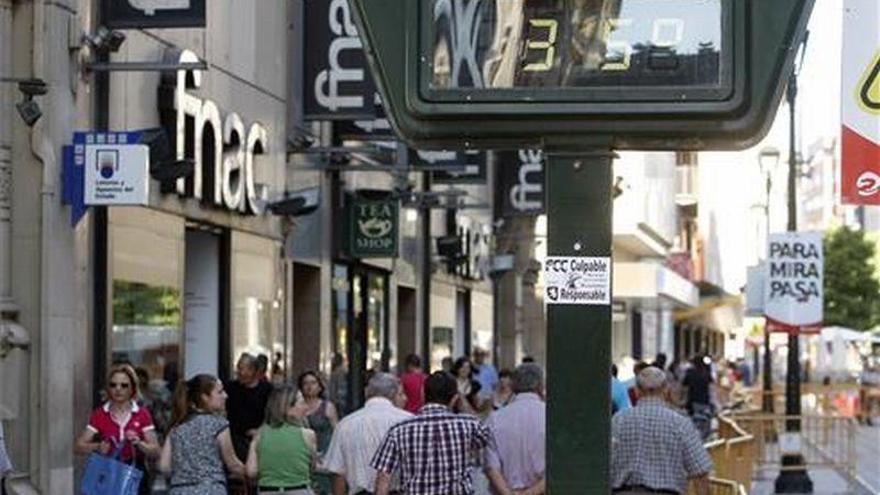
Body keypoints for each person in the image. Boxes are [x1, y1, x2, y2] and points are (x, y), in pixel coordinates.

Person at [371, 371, 493, 495]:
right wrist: (461, 401)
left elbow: (383, 479)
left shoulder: (398, 430)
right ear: (455, 398)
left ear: (423, 394)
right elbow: (489, 437)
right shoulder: (469, 425)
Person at [611, 367, 713, 495]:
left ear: (636, 391)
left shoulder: (618, 421)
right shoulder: (680, 423)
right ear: (666, 390)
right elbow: (700, 474)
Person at [75, 364, 161, 495]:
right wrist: (98, 446)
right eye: (113, 385)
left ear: (132, 388)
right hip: (108, 473)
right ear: (108, 388)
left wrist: (139, 443)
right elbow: (78, 446)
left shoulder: (142, 414)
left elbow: (155, 450)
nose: (118, 389)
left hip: (135, 473)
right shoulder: (100, 414)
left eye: (124, 385)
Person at [324, 373, 412, 495]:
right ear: (394, 395)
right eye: (401, 393)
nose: (405, 398)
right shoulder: (408, 421)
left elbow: (338, 474)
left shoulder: (346, 424)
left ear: (367, 392)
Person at [158, 374, 246, 494]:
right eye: (220, 392)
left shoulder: (176, 428)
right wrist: (251, 473)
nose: (226, 395)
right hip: (210, 489)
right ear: (205, 397)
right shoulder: (218, 425)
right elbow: (233, 465)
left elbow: (164, 467)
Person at [484, 363, 546, 495]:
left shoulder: (495, 419)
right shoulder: (551, 417)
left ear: (513, 386)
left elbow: (491, 467)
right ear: (541, 386)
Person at [246, 384, 317, 495]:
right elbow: (312, 467)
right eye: (302, 403)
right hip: (299, 490)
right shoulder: (308, 435)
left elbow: (251, 471)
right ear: (288, 409)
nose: (306, 407)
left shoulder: (260, 434)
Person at [226, 353, 273, 463]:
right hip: (235, 439)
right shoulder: (230, 387)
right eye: (239, 368)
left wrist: (260, 430)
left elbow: (272, 413)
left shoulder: (267, 389)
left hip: (260, 437)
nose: (242, 373)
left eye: (247, 369)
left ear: (256, 371)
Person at [298, 370, 339, 495]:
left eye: (313, 383)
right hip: (303, 457)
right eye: (305, 383)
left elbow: (337, 433)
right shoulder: (296, 408)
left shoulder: (328, 407)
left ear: (320, 386)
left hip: (324, 456)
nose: (309, 386)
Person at [682, 355, 714, 439]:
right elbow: (711, 389)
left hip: (692, 402)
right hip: (705, 402)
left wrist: (682, 400)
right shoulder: (706, 373)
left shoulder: (690, 372)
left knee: (694, 425)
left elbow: (685, 388)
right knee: (705, 425)